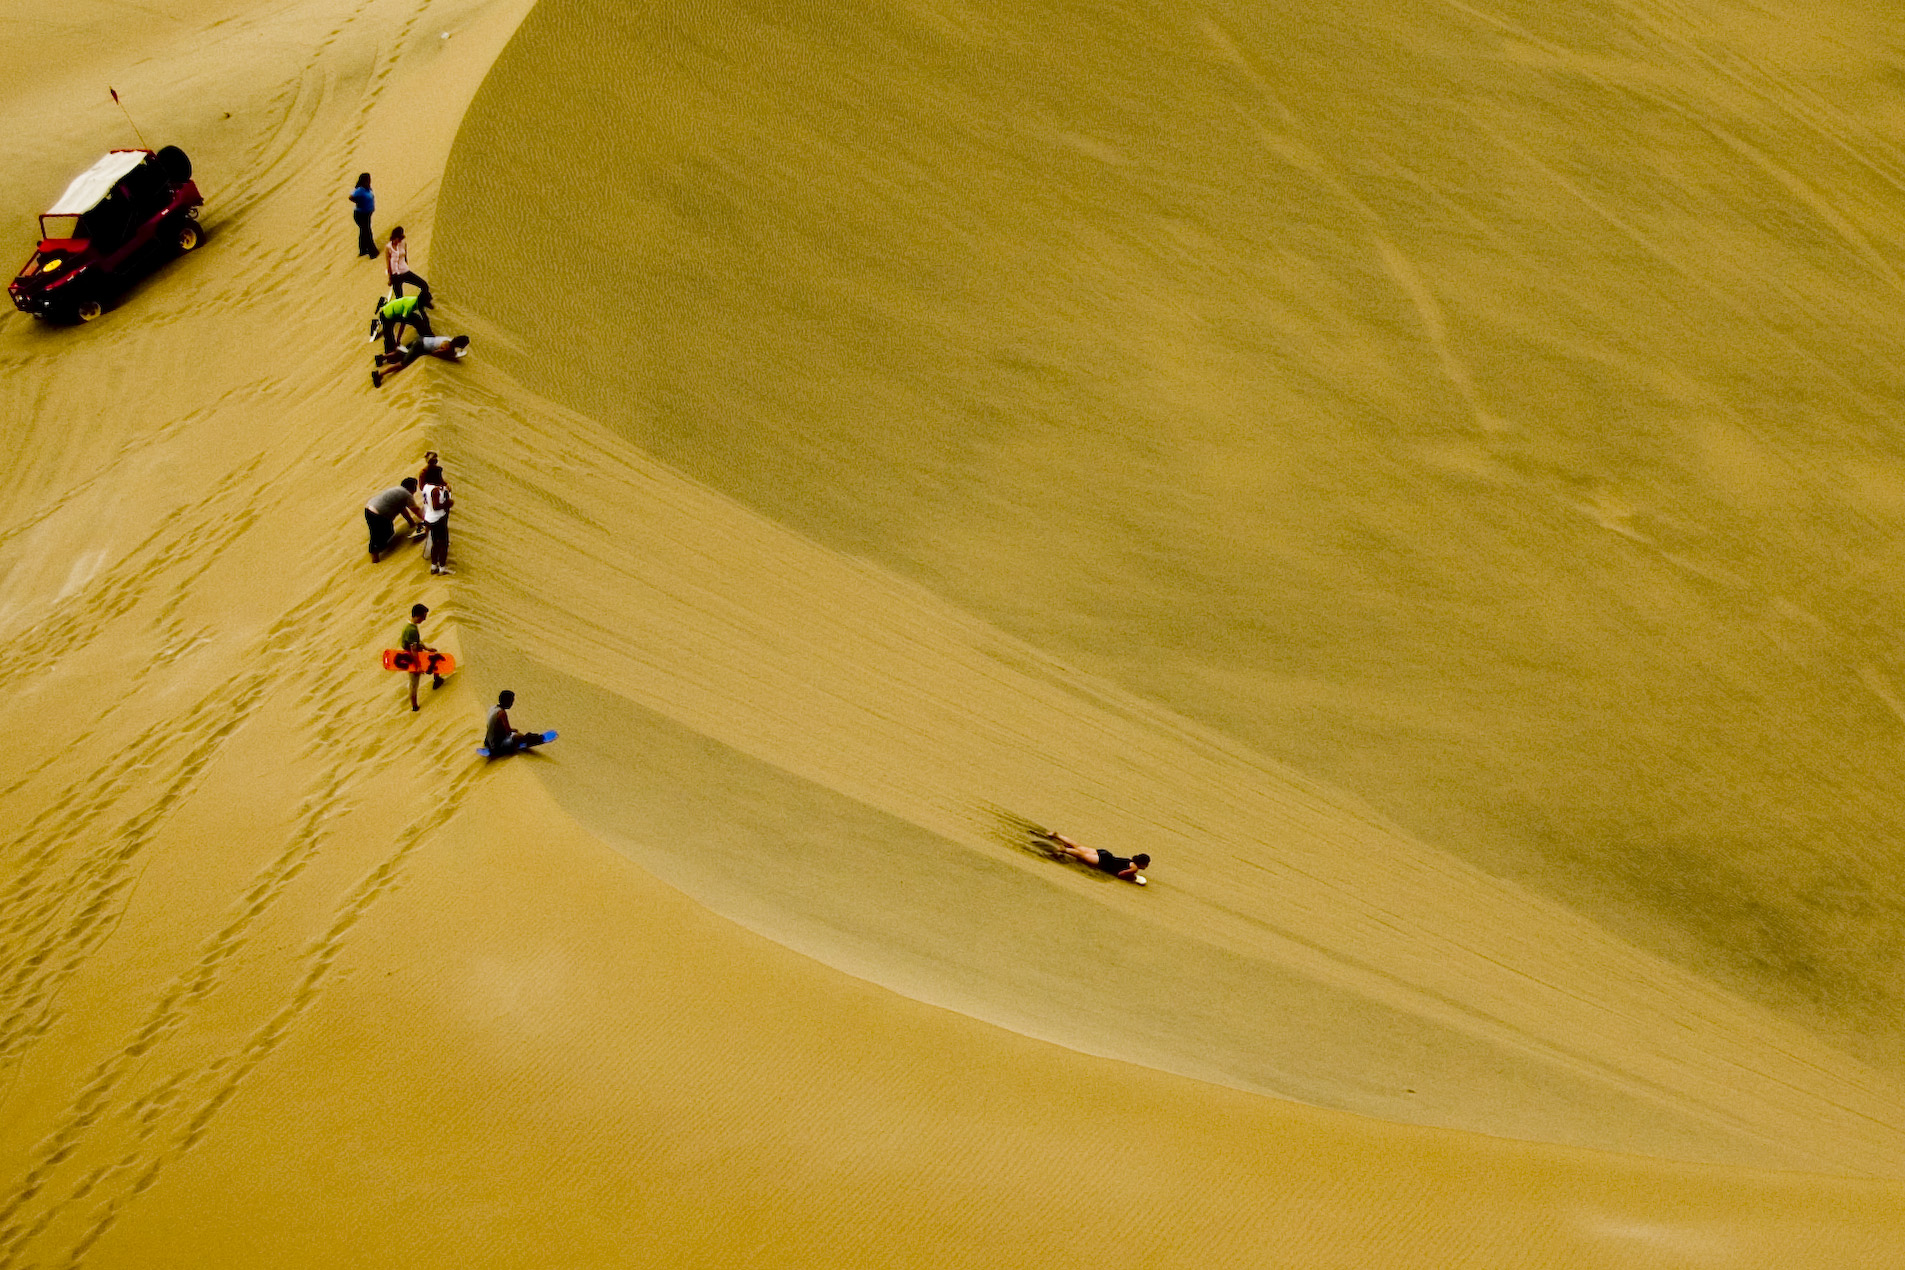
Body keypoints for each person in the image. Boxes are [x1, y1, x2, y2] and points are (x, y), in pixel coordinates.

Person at [1044, 831, 1150, 884]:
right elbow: (1120, 874)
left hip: (1106, 854)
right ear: (1142, 864)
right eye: (1146, 864)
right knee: (1081, 855)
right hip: (1103, 862)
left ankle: (1057, 836)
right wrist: (1132, 878)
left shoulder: (1130, 861)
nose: (1146, 866)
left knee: (1078, 846)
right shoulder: (1134, 868)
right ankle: (1065, 850)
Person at [371, 334, 469, 388]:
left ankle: (381, 357)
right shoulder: (447, 347)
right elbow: (434, 353)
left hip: (421, 339)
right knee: (402, 364)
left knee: (404, 352)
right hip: (420, 347)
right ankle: (379, 374)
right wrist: (446, 355)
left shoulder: (448, 339)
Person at [398, 602, 444, 711]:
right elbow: (413, 649)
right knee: (414, 683)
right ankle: (414, 707)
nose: (424, 619)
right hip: (413, 658)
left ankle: (437, 679)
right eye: (423, 616)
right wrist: (418, 666)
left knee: (435, 658)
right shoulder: (411, 630)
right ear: (417, 615)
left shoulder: (409, 625)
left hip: (417, 654)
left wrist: (427, 648)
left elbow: (416, 641)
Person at [364, 478, 423, 561]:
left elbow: (402, 509)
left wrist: (411, 522)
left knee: (378, 532)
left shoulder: (398, 490)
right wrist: (426, 519)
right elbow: (415, 509)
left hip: (369, 509)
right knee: (383, 534)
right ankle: (375, 554)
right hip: (379, 514)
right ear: (412, 488)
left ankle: (375, 550)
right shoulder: (406, 494)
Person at [484, 690, 549, 756]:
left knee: (514, 734)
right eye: (511, 701)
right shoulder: (502, 713)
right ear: (507, 701)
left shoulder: (492, 708)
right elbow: (508, 731)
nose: (512, 704)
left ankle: (491, 744)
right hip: (497, 746)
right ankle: (538, 738)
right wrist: (516, 733)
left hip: (488, 741)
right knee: (518, 736)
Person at [419, 464, 453, 575]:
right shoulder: (435, 490)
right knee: (443, 544)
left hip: (429, 518)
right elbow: (436, 506)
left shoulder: (426, 487)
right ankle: (442, 568)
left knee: (435, 543)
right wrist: (447, 504)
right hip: (438, 519)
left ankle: (434, 566)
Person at [384, 226, 431, 302]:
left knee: (424, 285)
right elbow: (388, 263)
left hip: (404, 271)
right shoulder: (388, 247)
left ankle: (421, 301)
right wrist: (390, 278)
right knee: (399, 298)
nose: (398, 241)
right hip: (395, 275)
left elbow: (405, 256)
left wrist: (406, 264)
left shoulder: (403, 244)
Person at [349, 174, 376, 258]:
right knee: (367, 232)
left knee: (364, 231)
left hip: (367, 214)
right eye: (367, 180)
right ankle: (373, 253)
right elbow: (351, 197)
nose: (369, 181)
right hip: (360, 215)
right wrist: (359, 202)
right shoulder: (360, 190)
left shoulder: (368, 188)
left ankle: (363, 250)